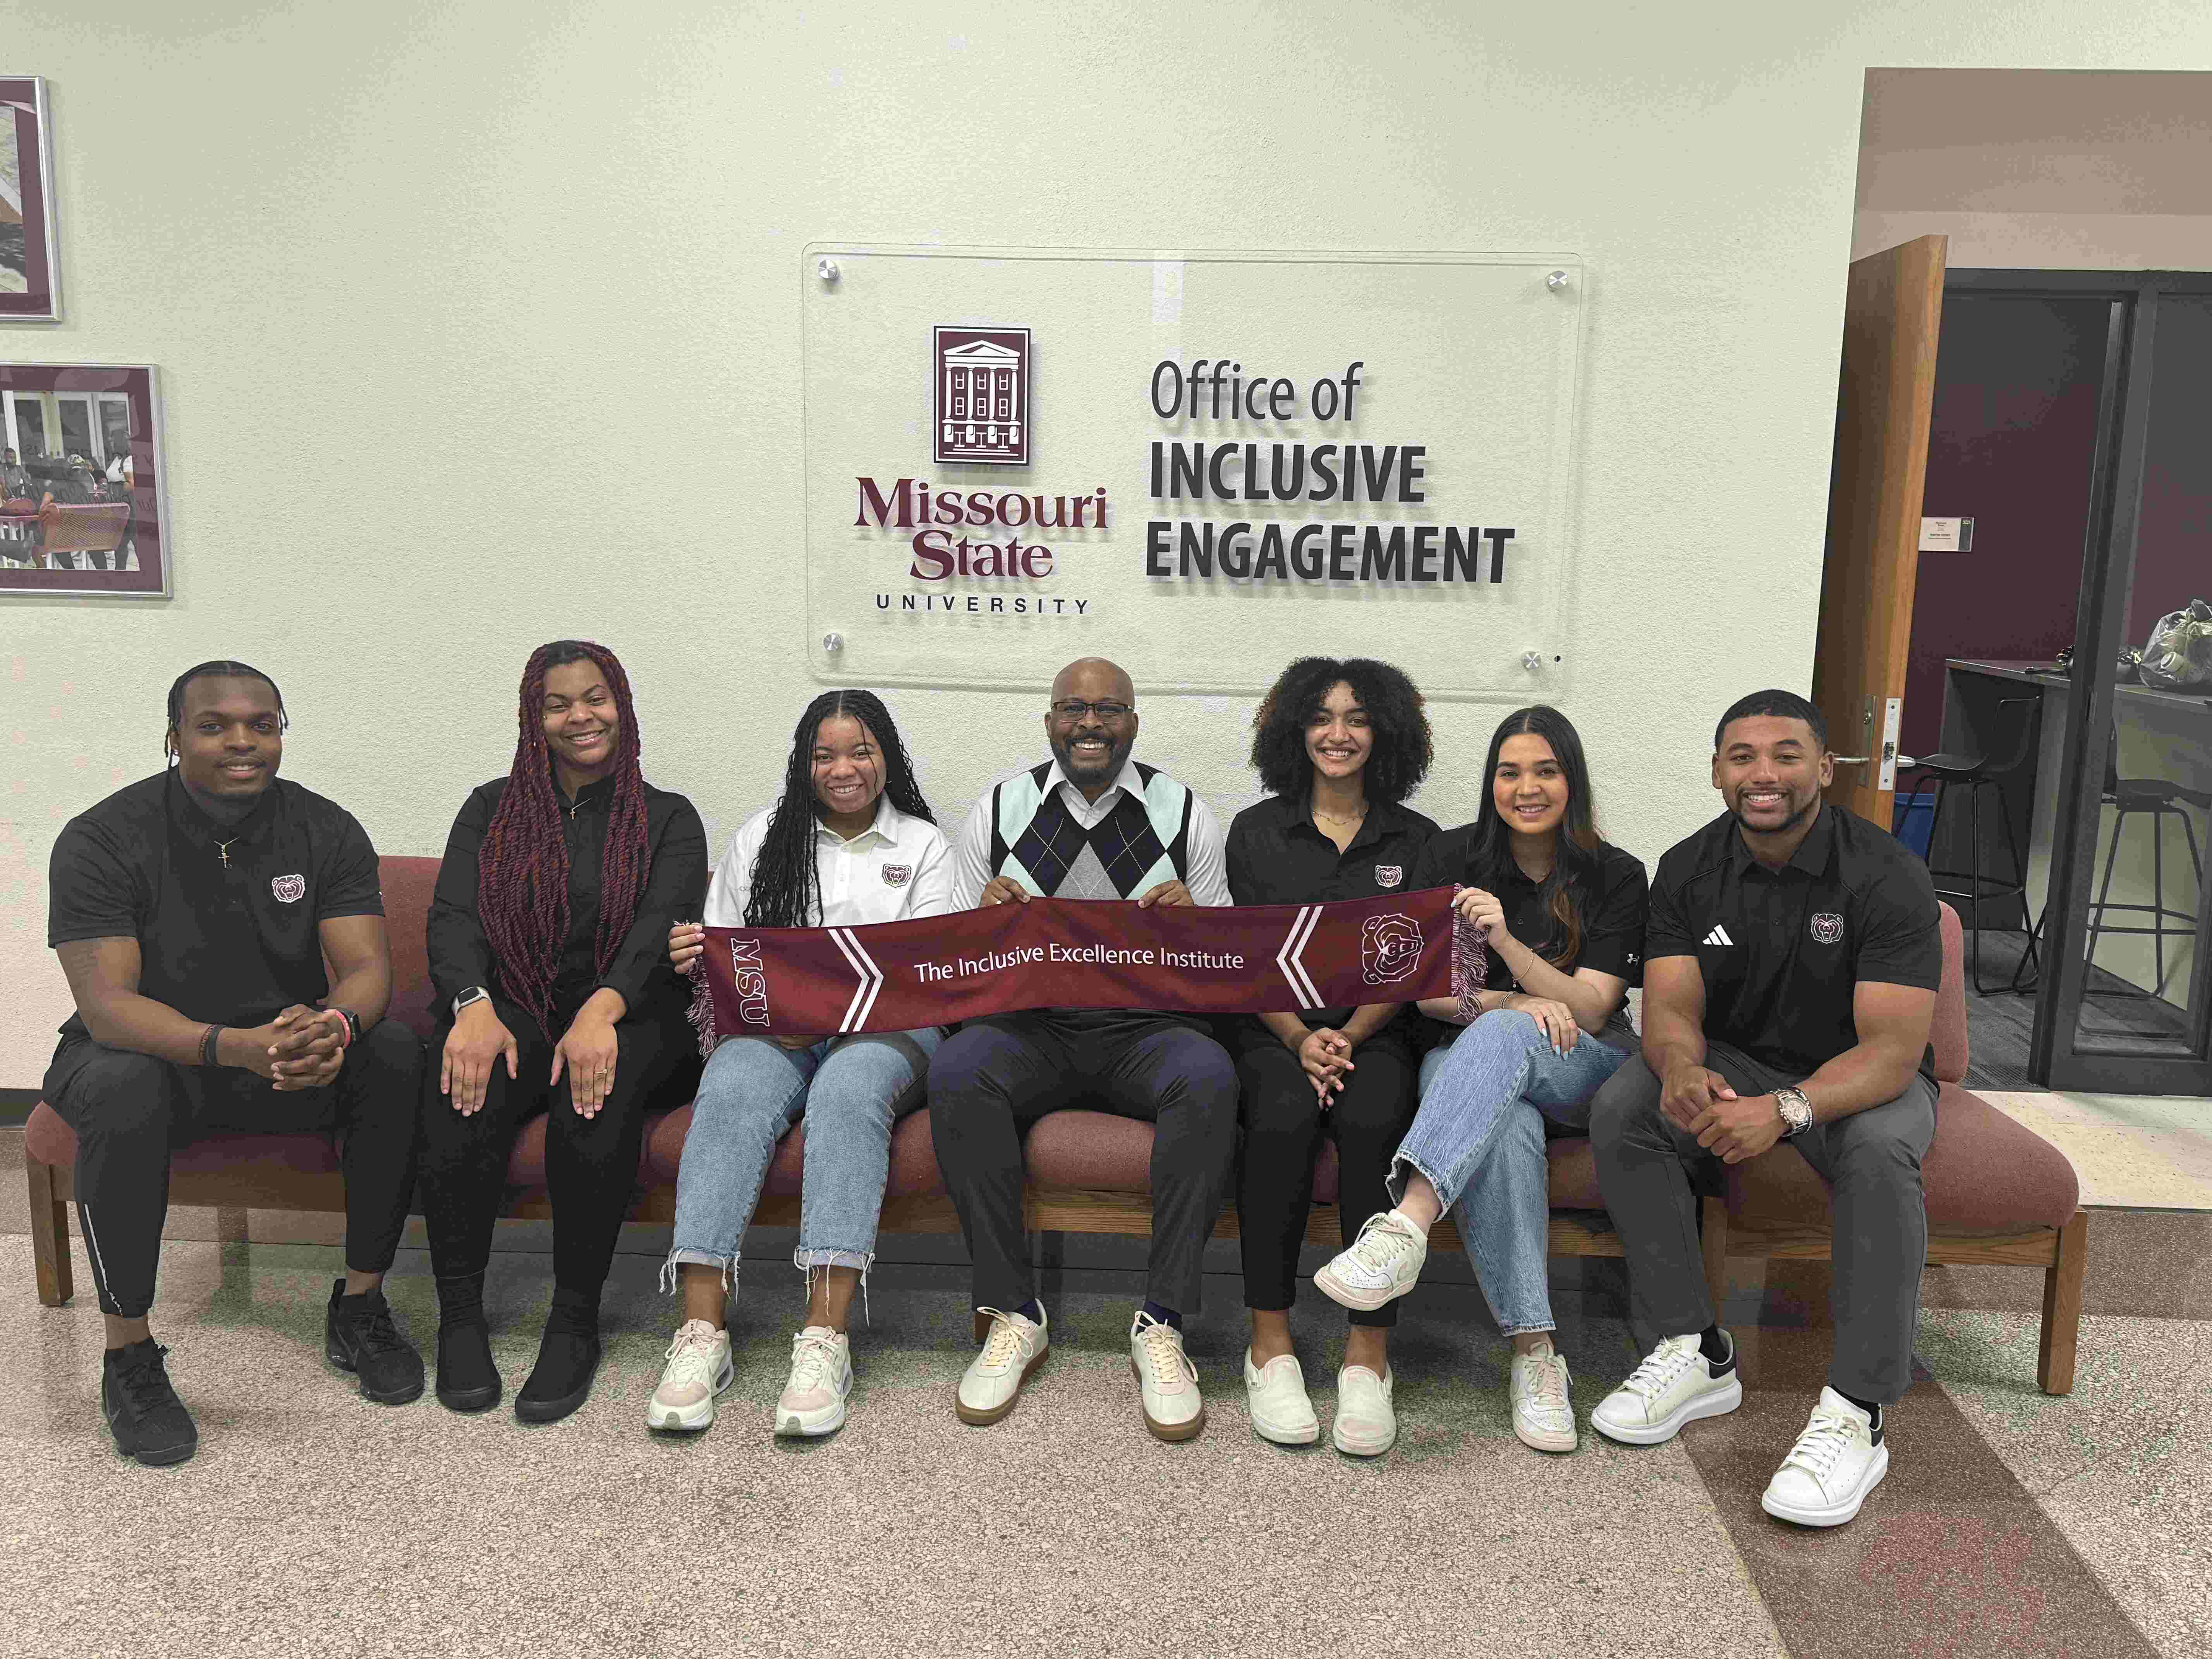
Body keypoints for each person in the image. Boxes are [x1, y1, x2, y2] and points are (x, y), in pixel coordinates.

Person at [45, 661, 426, 1465]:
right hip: (147, 1058)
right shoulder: (102, 838)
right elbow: (109, 1006)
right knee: (121, 1085)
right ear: (174, 736)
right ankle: (129, 1355)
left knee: (390, 1051)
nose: (243, 741)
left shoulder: (326, 828)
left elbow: (368, 975)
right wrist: (232, 1047)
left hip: (278, 1056)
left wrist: (333, 1027)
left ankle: (360, 1308)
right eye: (215, 726)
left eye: (264, 723)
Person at [1586, 688, 1941, 1528]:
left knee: (1881, 1155)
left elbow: (1891, 1052)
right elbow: (1672, 1010)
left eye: (1786, 754)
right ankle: (1696, 1350)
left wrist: (1784, 1108)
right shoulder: (1687, 868)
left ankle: (1859, 1410)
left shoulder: (1887, 873)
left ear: (1825, 767)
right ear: (1717, 772)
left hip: (1858, 1079)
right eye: (1741, 757)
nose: (1764, 774)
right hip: (1738, 1060)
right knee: (1627, 1103)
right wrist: (1679, 1070)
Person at [1313, 705, 1647, 1455]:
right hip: (1469, 1067)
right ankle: (1536, 1354)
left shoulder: (1616, 873)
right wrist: (1517, 1004)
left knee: (1505, 1036)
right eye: (1509, 771)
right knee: (1509, 1123)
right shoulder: (1450, 856)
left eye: (1545, 770)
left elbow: (1592, 1010)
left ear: (1573, 780)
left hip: (1582, 1070)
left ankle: (1404, 1226)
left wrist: (1505, 946)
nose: (1526, 787)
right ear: (1491, 782)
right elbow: (1424, 990)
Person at [928, 656, 1238, 1441]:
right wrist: (983, 920)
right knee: (960, 1069)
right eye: (1073, 709)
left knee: (1208, 1076)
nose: (1089, 724)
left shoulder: (1183, 811)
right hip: (1033, 1028)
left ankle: (1162, 1322)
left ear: (1134, 722)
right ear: (1049, 722)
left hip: (1146, 1030)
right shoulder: (1002, 805)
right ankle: (1013, 1312)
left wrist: (1196, 919)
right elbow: (946, 951)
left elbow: (1229, 958)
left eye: (1107, 710)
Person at [649, 690, 953, 1438]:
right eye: (824, 754)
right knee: (728, 1089)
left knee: (848, 1093)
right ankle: (701, 1334)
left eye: (861, 751)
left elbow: (927, 975)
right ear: (803, 763)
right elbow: (727, 955)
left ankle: (825, 1336)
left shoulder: (924, 847)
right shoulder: (762, 838)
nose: (843, 768)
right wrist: (695, 954)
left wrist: (821, 1013)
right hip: (772, 1033)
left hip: (888, 1034)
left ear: (887, 756)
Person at [419, 639, 706, 1423]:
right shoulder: (490, 810)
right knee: (462, 1084)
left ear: (623, 705)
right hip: (516, 1002)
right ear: (533, 719)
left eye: (596, 698)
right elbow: (453, 918)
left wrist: (601, 1009)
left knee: (597, 1089)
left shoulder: (669, 817)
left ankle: (574, 1319)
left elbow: (659, 929)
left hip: (637, 1012)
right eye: (558, 703)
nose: (581, 716)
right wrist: (473, 1007)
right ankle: (461, 1317)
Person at [1224, 657, 1437, 1455]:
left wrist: (1348, 1034)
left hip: (1376, 1031)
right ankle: (1269, 1343)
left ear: (1384, 734)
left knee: (1377, 1115)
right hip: (1272, 1029)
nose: (1338, 735)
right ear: (1295, 730)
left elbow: (1417, 960)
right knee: (1278, 1114)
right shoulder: (1253, 831)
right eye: (1321, 718)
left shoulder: (1418, 841)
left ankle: (1367, 1354)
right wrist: (1297, 1038)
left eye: (1356, 718)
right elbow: (1242, 960)